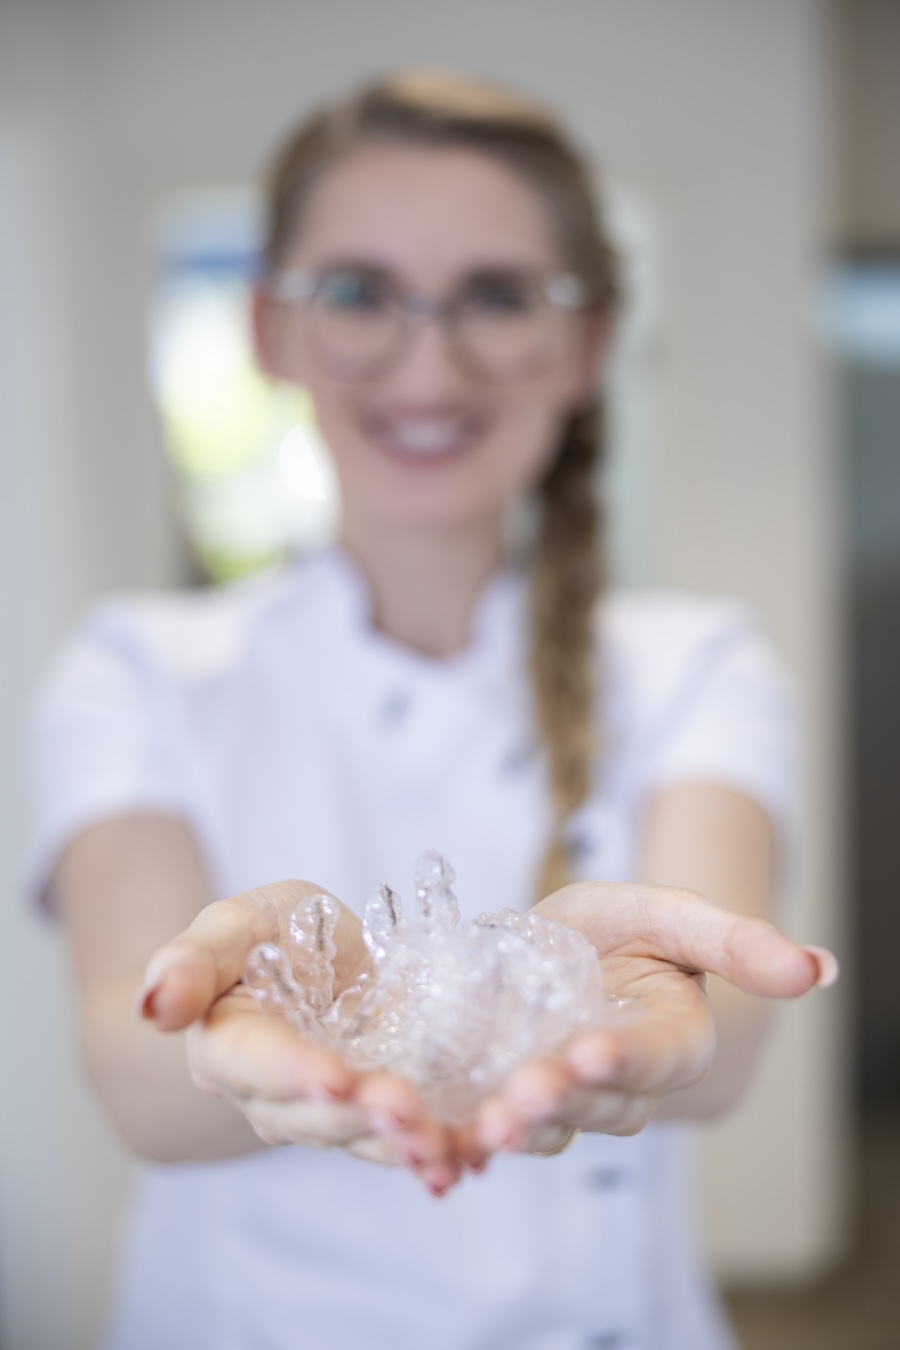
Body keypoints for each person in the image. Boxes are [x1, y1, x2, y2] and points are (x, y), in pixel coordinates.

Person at [30, 71, 837, 1350]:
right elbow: (133, 1070)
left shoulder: (699, 662)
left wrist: (602, 1012)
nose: (429, 360)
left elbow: (723, 1042)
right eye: (358, 292)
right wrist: (251, 1034)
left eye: (497, 296)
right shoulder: (133, 668)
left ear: (586, 342)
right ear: (269, 329)